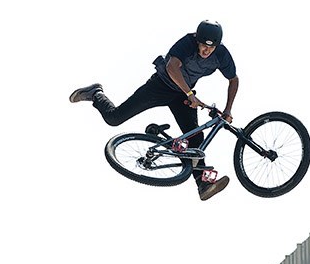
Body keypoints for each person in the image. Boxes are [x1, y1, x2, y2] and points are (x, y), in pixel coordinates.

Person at [70, 20, 239, 201]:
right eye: (203, 46)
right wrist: (190, 94)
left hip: (181, 96)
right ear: (197, 40)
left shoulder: (221, 55)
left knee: (195, 138)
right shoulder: (187, 43)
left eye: (211, 48)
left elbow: (233, 80)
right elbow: (171, 66)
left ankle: (202, 183)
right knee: (114, 118)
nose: (206, 51)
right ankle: (95, 93)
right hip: (160, 86)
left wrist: (228, 109)